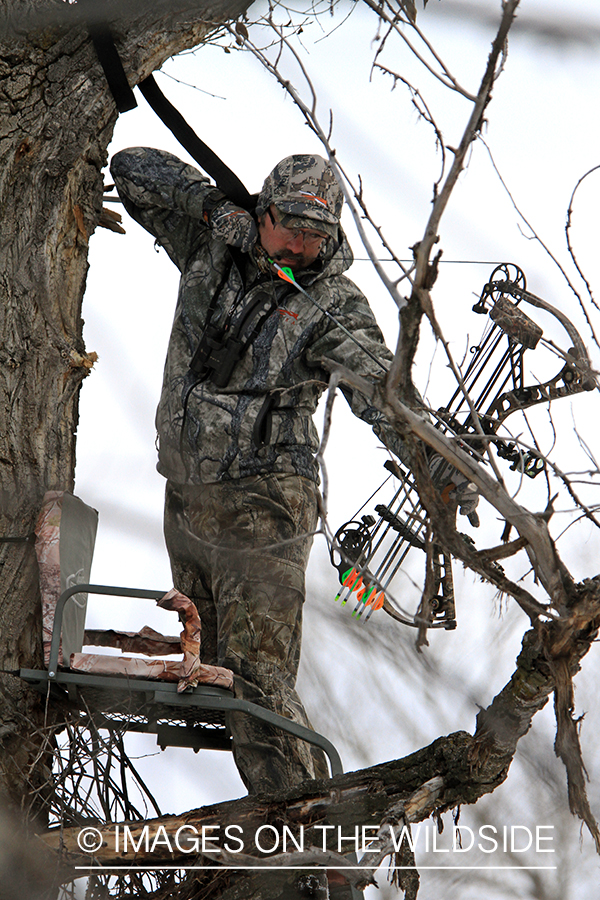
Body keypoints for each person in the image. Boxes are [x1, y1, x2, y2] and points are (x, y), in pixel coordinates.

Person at [109, 149, 477, 803]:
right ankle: (293, 821)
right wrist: (213, 209)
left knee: (256, 678)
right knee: (211, 677)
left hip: (265, 501)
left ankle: (315, 831)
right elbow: (131, 169)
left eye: (318, 233)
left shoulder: (331, 302)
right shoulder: (213, 245)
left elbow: (384, 395)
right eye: (292, 227)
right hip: (188, 496)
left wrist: (440, 467)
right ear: (262, 212)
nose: (303, 245)